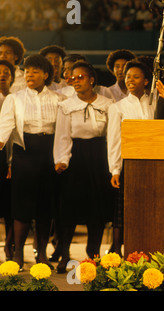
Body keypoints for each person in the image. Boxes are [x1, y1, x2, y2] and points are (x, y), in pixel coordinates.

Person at [0, 54, 66, 270]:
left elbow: (64, 131)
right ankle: (18, 254)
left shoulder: (58, 99)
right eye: (27, 71)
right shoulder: (15, 98)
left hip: (49, 154)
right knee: (22, 206)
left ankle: (42, 255)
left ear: (46, 75)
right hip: (24, 155)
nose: (29, 74)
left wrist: (61, 158)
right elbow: (5, 125)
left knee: (45, 207)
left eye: (35, 71)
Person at [53, 61, 114, 272]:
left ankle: (94, 254)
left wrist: (112, 165)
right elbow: (62, 135)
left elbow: (112, 135)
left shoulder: (107, 104)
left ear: (91, 80)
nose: (75, 81)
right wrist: (61, 159)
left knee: (96, 208)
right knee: (69, 208)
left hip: (99, 157)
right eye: (73, 78)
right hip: (76, 156)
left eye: (80, 77)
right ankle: (64, 253)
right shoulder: (66, 106)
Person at [107, 60, 155, 256]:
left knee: (148, 209)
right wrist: (115, 170)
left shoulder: (155, 102)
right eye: (128, 77)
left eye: (136, 77)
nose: (130, 80)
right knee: (123, 211)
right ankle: (117, 251)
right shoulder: (117, 107)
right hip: (129, 163)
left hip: (153, 162)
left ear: (146, 81)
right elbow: (114, 140)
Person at [0, 59, 14, 261]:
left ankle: (10, 247)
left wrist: (11, 162)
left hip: (8, 156)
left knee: (10, 206)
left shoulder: (17, 99)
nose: (2, 74)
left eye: (6, 72)